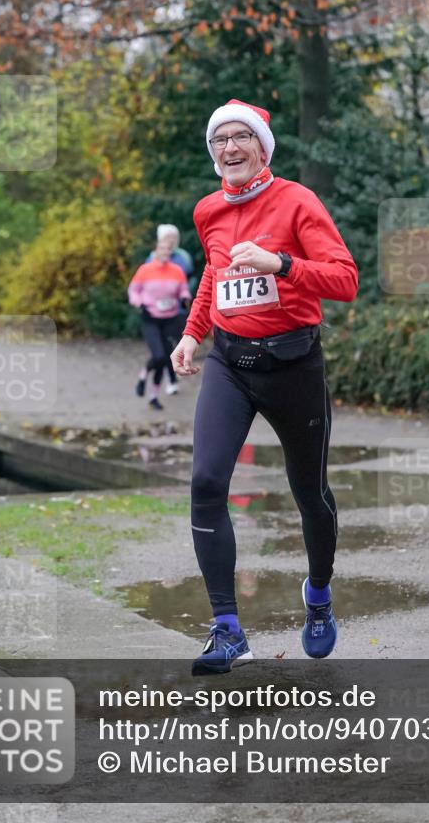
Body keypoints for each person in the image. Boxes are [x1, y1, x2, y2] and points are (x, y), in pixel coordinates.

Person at [171, 98, 358, 674]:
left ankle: (319, 596)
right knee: (205, 482)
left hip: (294, 365)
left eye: (240, 138)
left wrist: (281, 263)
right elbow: (214, 272)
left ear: (261, 148)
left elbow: (346, 280)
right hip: (229, 364)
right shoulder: (208, 211)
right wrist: (191, 333)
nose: (229, 148)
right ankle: (227, 629)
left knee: (309, 492)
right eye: (219, 140)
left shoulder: (298, 202)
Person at [128, 238, 191, 409]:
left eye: (168, 249)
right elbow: (133, 290)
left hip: (170, 319)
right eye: (162, 249)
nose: (165, 252)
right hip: (150, 318)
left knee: (165, 358)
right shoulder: (145, 270)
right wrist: (138, 303)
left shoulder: (177, 270)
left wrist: (185, 297)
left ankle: (153, 397)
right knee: (159, 356)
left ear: (171, 252)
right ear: (156, 251)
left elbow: (183, 289)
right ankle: (143, 375)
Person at [146, 224, 196, 392]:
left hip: (178, 310)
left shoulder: (183, 257)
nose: (171, 241)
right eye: (167, 238)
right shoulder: (152, 258)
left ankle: (176, 370)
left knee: (176, 342)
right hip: (157, 312)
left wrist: (184, 294)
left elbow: (191, 279)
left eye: (174, 238)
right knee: (164, 346)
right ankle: (171, 378)